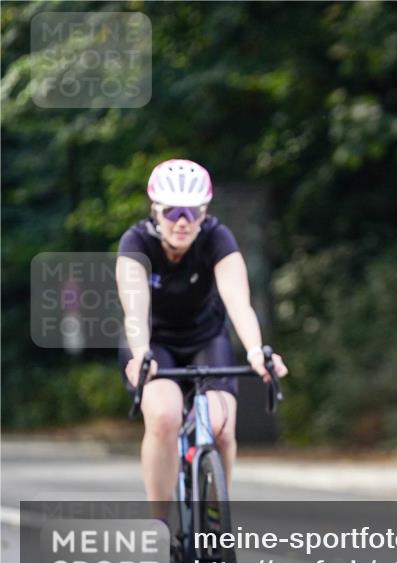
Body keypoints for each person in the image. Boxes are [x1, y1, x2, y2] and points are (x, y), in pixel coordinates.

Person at [115, 159, 288, 507]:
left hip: (206, 338)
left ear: (205, 212)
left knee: (222, 428)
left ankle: (214, 514)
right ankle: (160, 523)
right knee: (164, 416)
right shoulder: (135, 243)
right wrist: (141, 354)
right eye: (172, 211)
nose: (182, 221)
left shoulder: (216, 237)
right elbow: (135, 311)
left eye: (192, 212)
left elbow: (239, 303)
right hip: (154, 343)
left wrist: (256, 352)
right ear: (155, 211)